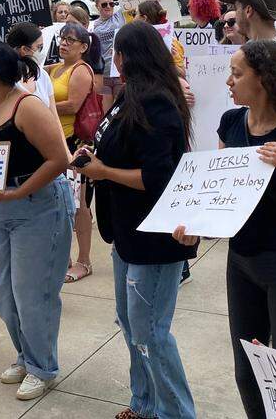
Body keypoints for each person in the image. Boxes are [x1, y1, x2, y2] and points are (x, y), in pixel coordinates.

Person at [173, 40, 276, 419]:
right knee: (247, 373)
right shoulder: (230, 123)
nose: (229, 80)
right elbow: (220, 196)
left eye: (237, 74)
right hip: (241, 261)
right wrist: (196, 228)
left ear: (265, 79)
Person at [74, 21, 198, 419]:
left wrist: (103, 172)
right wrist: (91, 155)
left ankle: (176, 413)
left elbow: (159, 178)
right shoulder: (130, 96)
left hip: (154, 236)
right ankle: (144, 404)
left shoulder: (158, 102)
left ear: (126, 56)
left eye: (117, 53)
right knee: (131, 325)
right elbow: (114, 146)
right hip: (126, 231)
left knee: (152, 333)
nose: (114, 59)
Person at [0, 42, 73, 401]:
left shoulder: (27, 106)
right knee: (2, 292)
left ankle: (42, 366)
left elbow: (59, 159)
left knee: (33, 294)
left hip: (36, 206)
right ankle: (25, 355)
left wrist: (18, 192)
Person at [48, 22, 96, 284]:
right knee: (62, 202)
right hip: (57, 143)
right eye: (62, 38)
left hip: (75, 144)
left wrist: (42, 105)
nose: (64, 43)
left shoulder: (80, 70)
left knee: (80, 205)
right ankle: (65, 257)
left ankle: (84, 260)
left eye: (70, 40)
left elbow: (73, 105)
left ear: (84, 47)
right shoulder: (56, 68)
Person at [5, 22, 57, 114]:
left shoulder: (42, 75)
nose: (42, 51)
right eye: (39, 47)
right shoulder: (4, 79)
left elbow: (54, 114)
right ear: (24, 49)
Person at [92, 0, 125, 110]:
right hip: (103, 75)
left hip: (119, 73)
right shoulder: (93, 26)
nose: (108, 7)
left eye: (111, 4)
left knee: (120, 111)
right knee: (106, 114)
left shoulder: (120, 17)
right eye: (104, 4)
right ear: (97, 6)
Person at [136, 0, 186, 76]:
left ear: (144, 18)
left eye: (135, 14)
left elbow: (182, 74)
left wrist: (165, 60)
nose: (133, 18)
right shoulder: (136, 41)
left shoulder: (172, 43)